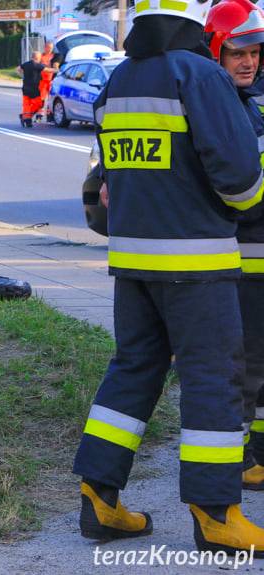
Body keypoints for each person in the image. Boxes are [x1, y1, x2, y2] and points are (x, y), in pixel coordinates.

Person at [72, 0, 264, 555]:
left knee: (133, 370)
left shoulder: (121, 78)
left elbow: (110, 174)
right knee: (213, 381)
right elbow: (239, 178)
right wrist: (248, 206)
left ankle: (99, 496)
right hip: (197, 264)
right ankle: (217, 515)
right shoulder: (200, 75)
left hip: (133, 262)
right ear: (197, 23)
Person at [205, 0, 264, 491]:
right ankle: (240, 457)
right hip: (238, 258)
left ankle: (258, 451)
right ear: (217, 52)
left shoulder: (252, 104)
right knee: (242, 364)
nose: (249, 62)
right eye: (238, 53)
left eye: (255, 53)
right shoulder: (217, 106)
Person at [17, 51, 54, 128]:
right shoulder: (37, 65)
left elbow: (18, 69)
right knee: (39, 104)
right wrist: (58, 70)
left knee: (26, 105)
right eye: (40, 57)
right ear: (38, 57)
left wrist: (22, 76)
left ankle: (27, 120)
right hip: (34, 88)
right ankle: (25, 117)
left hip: (25, 88)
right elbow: (48, 70)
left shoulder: (26, 64)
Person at [38, 40, 60, 117]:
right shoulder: (41, 56)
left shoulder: (54, 56)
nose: (49, 49)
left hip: (51, 80)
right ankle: (40, 114)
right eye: (47, 47)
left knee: (51, 98)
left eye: (50, 47)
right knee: (42, 98)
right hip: (42, 80)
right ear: (44, 47)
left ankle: (49, 114)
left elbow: (55, 67)